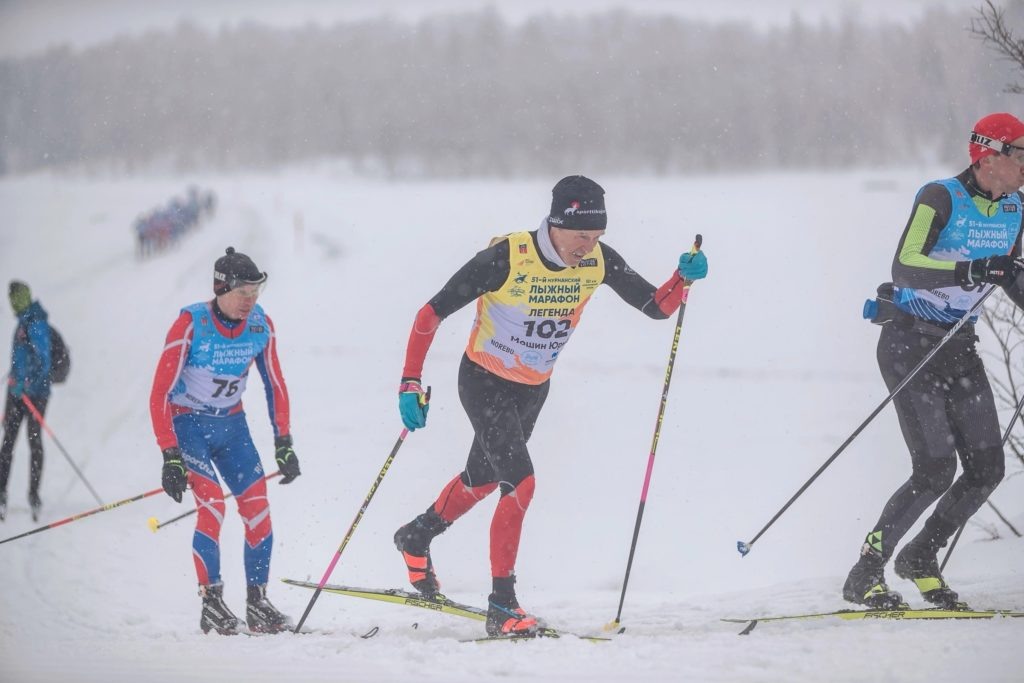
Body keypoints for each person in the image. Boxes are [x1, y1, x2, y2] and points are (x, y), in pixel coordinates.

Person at [392, 175, 708, 637]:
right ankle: (502, 605)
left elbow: (655, 307)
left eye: (596, 236)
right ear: (555, 225)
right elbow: (430, 313)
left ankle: (417, 535)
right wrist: (409, 383)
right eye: (581, 235)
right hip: (483, 380)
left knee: (483, 479)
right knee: (520, 483)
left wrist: (683, 278)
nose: (589, 246)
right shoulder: (507, 258)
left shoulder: (599, 260)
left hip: (533, 388)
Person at [844, 113, 1024, 610]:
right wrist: (971, 268)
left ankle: (922, 555)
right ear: (991, 156)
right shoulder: (940, 196)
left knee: (987, 468)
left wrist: (1002, 273)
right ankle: (865, 572)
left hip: (959, 345)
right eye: (1023, 153)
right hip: (910, 342)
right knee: (934, 470)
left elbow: (1009, 275)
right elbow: (906, 263)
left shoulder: (1016, 207)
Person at [149, 247, 302, 635]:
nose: (250, 300)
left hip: (233, 428)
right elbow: (159, 394)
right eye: (243, 292)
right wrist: (170, 455)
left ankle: (257, 602)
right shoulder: (190, 324)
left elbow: (276, 384)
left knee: (258, 511)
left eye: (256, 291)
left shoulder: (259, 325)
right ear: (221, 288)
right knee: (213, 507)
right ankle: (212, 603)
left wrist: (283, 441)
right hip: (190, 427)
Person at [0, 281, 51, 522]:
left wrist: (27, 385)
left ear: (25, 297)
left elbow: (45, 361)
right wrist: (13, 385)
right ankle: (1, 494)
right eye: (10, 297)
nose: (12, 301)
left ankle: (34, 496)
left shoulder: (36, 322)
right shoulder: (22, 322)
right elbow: (19, 360)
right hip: (17, 394)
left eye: (16, 297)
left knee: (33, 440)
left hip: (36, 395)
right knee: (7, 442)